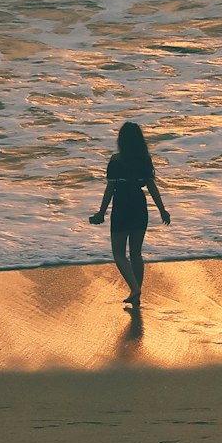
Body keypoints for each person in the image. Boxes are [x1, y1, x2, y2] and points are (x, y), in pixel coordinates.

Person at [89, 121, 170, 305]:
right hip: (139, 205)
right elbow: (152, 186)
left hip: (122, 205)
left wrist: (101, 212)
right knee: (136, 253)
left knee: (118, 253)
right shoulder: (144, 160)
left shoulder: (116, 160)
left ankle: (134, 288)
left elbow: (110, 188)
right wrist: (162, 210)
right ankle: (136, 295)